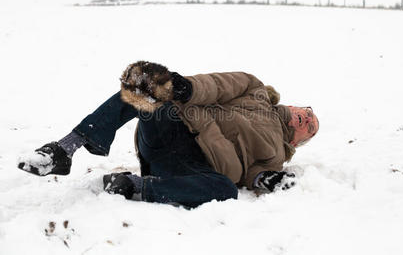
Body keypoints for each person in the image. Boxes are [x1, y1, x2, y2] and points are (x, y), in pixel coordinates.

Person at [18, 61, 319, 208]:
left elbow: (255, 174)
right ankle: (63, 149)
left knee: (225, 189)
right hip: (176, 126)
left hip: (194, 168)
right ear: (293, 104)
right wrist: (188, 87)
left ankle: (134, 186)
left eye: (310, 126)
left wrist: (265, 178)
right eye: (308, 111)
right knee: (149, 88)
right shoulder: (255, 90)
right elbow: (220, 84)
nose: (307, 117)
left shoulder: (277, 156)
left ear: (298, 141)